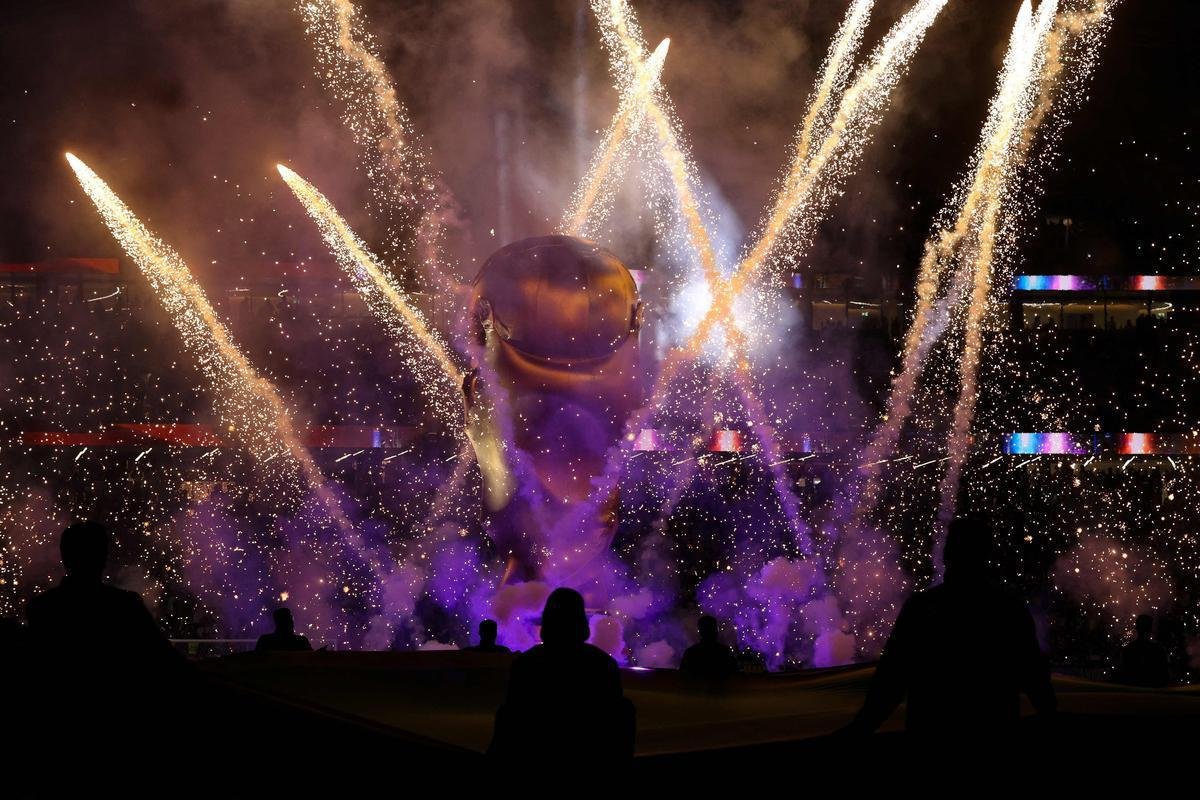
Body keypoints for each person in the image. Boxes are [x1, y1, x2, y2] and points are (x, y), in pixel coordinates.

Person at [845, 516, 1056, 738]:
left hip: (932, 728)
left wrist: (859, 729)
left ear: (947, 554)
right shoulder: (1008, 609)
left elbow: (890, 680)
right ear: (986, 553)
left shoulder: (921, 608)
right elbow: (1035, 679)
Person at [489, 588, 634, 761]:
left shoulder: (526, 664)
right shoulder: (604, 664)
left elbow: (511, 719)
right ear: (581, 622)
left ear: (548, 621)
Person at [1116, 614, 1169, 688]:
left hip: (1133, 693)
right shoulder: (1158, 650)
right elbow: (1164, 676)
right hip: (1152, 694)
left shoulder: (1129, 649)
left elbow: (1123, 675)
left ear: (1137, 628)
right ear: (1151, 629)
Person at [679, 615, 738, 679]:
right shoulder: (725, 651)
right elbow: (735, 674)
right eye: (716, 628)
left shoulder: (690, 652)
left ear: (700, 631)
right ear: (715, 630)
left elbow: (682, 676)